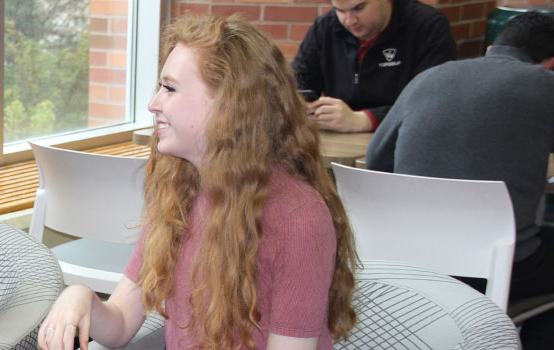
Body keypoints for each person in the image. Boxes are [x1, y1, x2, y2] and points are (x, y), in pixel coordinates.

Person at [39, 15, 360, 350]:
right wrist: (81, 298)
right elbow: (119, 323)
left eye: (170, 88)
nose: (153, 104)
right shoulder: (181, 188)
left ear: (229, 104)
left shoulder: (300, 218)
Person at [365, 12, 554, 348]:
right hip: (496, 268)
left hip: (406, 260)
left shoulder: (429, 77)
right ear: (550, 63)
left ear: (492, 47)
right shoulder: (544, 84)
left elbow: (377, 159)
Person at [292, 0, 457, 132]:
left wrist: (365, 120)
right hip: (339, 141)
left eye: (359, 8)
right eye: (340, 11)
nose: (349, 21)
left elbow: (431, 103)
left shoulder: (427, 26)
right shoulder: (325, 27)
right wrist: (304, 106)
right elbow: (297, 84)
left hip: (402, 139)